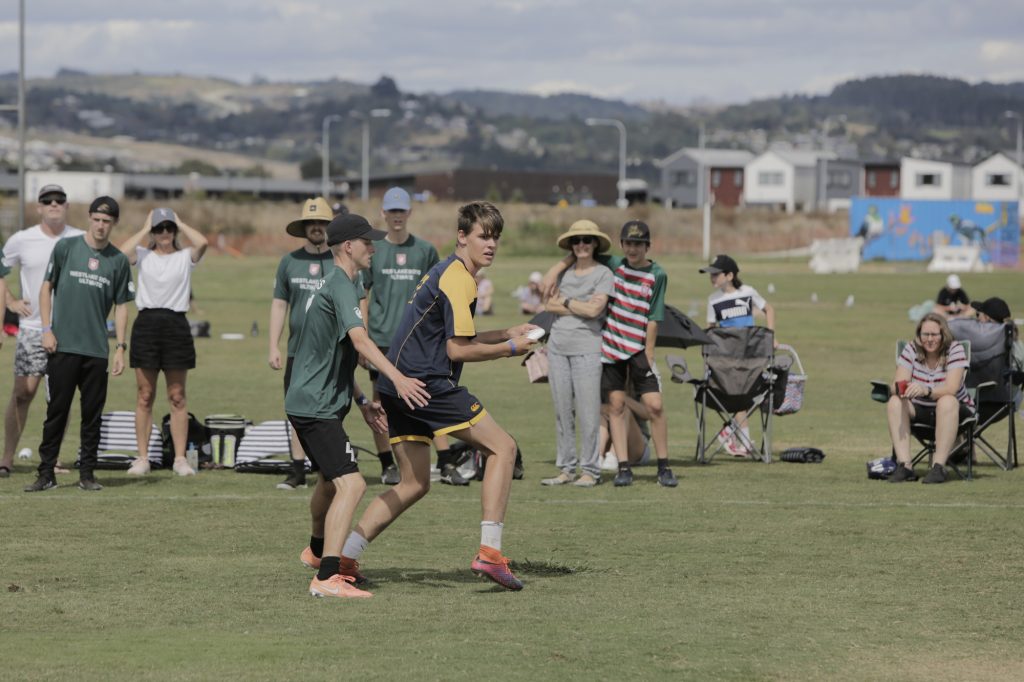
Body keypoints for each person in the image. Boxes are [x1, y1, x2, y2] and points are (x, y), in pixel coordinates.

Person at [338, 201, 540, 591]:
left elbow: (457, 338)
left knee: (413, 484)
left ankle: (346, 555)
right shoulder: (460, 278)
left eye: (496, 237)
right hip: (424, 383)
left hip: (396, 386)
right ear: (462, 236)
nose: (491, 244)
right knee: (503, 448)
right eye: (483, 235)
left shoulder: (450, 271)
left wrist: (506, 333)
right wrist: (512, 349)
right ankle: (490, 553)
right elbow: (457, 351)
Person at [287, 213, 430, 599]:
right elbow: (362, 343)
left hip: (316, 402)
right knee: (351, 483)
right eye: (367, 242)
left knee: (329, 482)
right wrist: (396, 379)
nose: (374, 247)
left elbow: (329, 356)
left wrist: (363, 400)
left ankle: (317, 553)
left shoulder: (338, 283)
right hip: (314, 405)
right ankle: (328, 576)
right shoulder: (342, 286)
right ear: (348, 246)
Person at [541, 219, 677, 488]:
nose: (633, 248)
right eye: (628, 243)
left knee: (655, 406)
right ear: (622, 244)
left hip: (634, 348)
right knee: (613, 406)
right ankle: (622, 468)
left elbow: (653, 315)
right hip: (611, 347)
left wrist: (649, 351)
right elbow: (573, 263)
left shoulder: (655, 274)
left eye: (639, 243)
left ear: (647, 245)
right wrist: (554, 270)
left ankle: (664, 466)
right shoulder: (615, 264)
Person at [24, 196, 134, 492]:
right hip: (62, 346)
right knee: (56, 412)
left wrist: (121, 348)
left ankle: (87, 474)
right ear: (89, 218)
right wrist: (47, 329)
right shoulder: (66, 247)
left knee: (92, 416)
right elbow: (46, 288)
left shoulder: (119, 261)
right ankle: (46, 473)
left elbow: (122, 306)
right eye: (96, 219)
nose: (100, 226)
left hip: (96, 350)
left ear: (114, 223)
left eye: (106, 221)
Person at [359, 187, 466, 486]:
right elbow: (364, 294)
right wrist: (363, 336)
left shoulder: (425, 250)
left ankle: (445, 462)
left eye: (401, 211)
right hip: (381, 337)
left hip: (418, 340)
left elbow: (439, 292)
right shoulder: (374, 249)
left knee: (428, 396)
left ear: (409, 213)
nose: (396, 216)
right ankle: (386, 464)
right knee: (382, 402)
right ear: (383, 213)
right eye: (391, 211)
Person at [1, 185, 84, 478]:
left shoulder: (79, 239)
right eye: (47, 201)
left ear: (66, 205)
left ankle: (54, 459)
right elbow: (0, 271)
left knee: (59, 398)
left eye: (59, 200)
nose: (53, 204)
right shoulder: (22, 240)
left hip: (68, 332)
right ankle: (7, 459)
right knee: (23, 393)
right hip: (32, 329)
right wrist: (10, 301)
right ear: (38, 207)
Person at [119, 208, 208, 477]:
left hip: (175, 326)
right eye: (160, 228)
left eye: (169, 228)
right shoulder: (143, 255)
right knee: (145, 395)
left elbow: (202, 243)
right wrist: (146, 228)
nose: (165, 233)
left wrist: (179, 220)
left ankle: (180, 459)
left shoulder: (185, 257)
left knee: (177, 396)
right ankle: (142, 457)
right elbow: (121, 253)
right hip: (146, 325)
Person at [268, 197, 336, 490]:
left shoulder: (339, 261)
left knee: (331, 410)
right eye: (312, 223)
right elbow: (279, 305)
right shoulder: (289, 262)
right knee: (297, 409)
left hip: (331, 352)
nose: (317, 228)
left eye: (322, 222)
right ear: (304, 227)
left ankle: (326, 466)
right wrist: (273, 345)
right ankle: (298, 469)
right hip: (298, 351)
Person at [540, 220, 613, 488]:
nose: (582, 244)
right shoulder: (563, 273)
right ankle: (566, 468)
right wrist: (579, 304)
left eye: (586, 240)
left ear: (595, 244)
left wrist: (567, 302)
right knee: (562, 411)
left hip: (587, 349)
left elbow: (595, 311)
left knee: (588, 413)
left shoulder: (604, 274)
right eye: (576, 240)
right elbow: (548, 303)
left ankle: (590, 470)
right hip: (558, 349)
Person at [700, 254, 776, 457]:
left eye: (716, 274)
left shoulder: (747, 292)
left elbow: (768, 309)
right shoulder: (713, 300)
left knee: (745, 392)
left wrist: (770, 337)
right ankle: (739, 437)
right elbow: (710, 330)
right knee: (736, 391)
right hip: (726, 357)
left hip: (749, 353)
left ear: (730, 275)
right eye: (711, 274)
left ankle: (734, 433)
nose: (712, 278)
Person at [886, 312, 973, 484]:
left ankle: (938, 467)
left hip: (955, 411)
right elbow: (899, 383)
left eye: (934, 334)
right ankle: (905, 466)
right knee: (895, 402)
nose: (930, 339)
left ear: (943, 335)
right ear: (919, 335)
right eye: (925, 334)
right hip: (920, 410)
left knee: (946, 401)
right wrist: (896, 389)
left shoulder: (954, 349)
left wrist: (927, 390)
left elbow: (952, 388)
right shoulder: (911, 349)